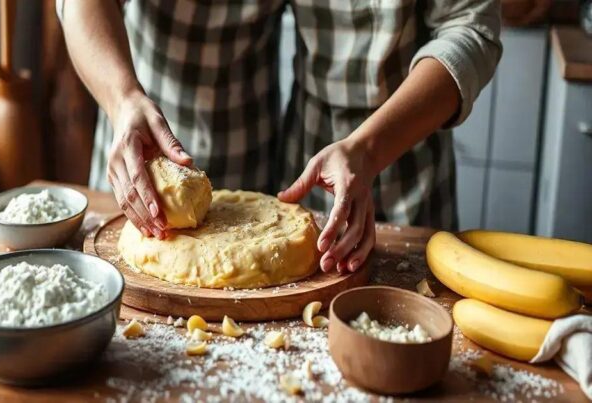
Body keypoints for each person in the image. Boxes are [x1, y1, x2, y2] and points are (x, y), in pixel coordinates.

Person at [57, 0, 501, 274]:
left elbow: (471, 28)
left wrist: (368, 148)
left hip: (394, 158)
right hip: (138, 142)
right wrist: (123, 100)